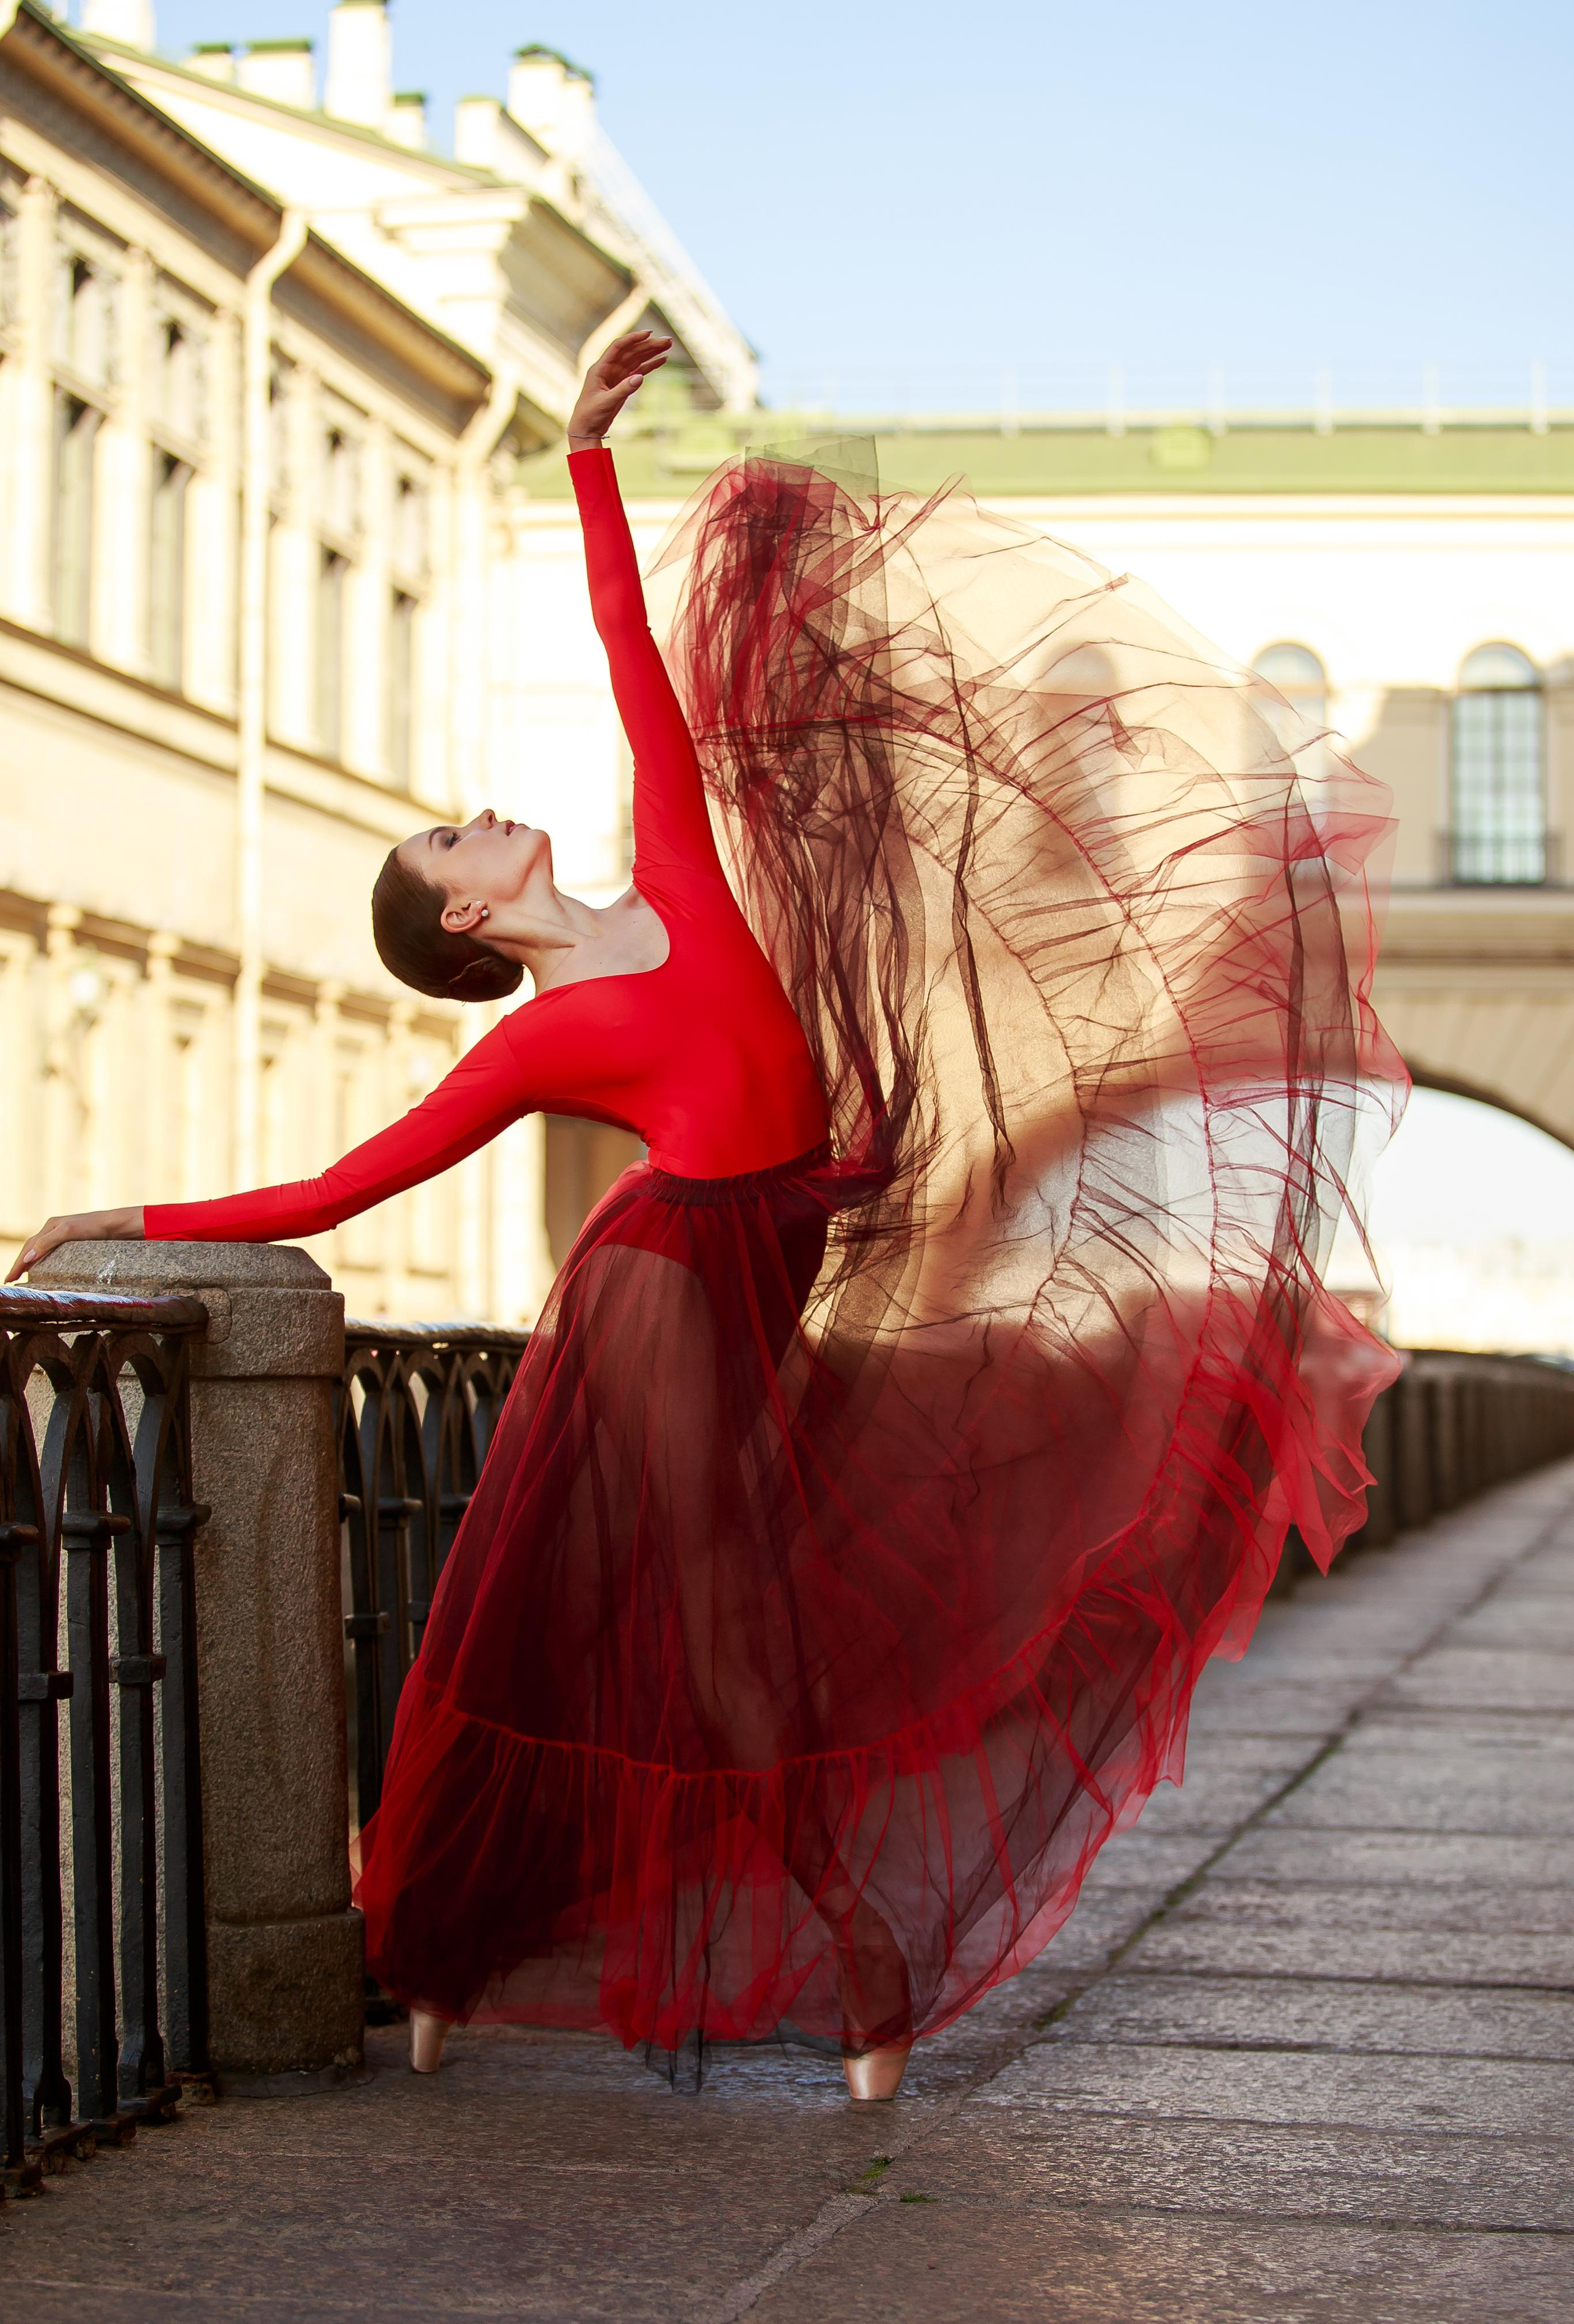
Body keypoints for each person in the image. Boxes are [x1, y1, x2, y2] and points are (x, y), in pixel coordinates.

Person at [10, 331, 1404, 2101]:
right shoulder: (539, 1045)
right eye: (456, 841)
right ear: (468, 931)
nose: (483, 818)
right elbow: (339, 1187)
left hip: (754, 1274)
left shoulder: (668, 858)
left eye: (463, 818)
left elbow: (625, 655)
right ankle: (821, 1961)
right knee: (732, 1631)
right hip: (666, 1293)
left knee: (692, 1629)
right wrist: (118, 1212)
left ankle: (471, 1951)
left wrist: (592, 452)